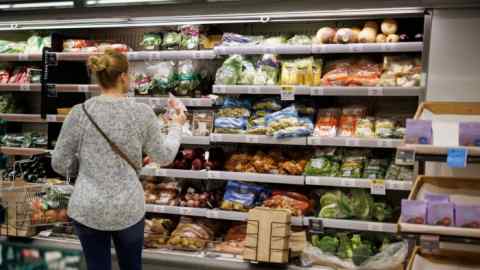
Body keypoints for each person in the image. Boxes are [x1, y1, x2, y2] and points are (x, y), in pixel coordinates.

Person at [51, 49, 185, 270]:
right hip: (128, 207)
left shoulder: (79, 112)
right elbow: (165, 156)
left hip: (88, 206)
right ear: (123, 76)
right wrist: (176, 127)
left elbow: (59, 163)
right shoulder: (142, 113)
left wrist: (82, 165)